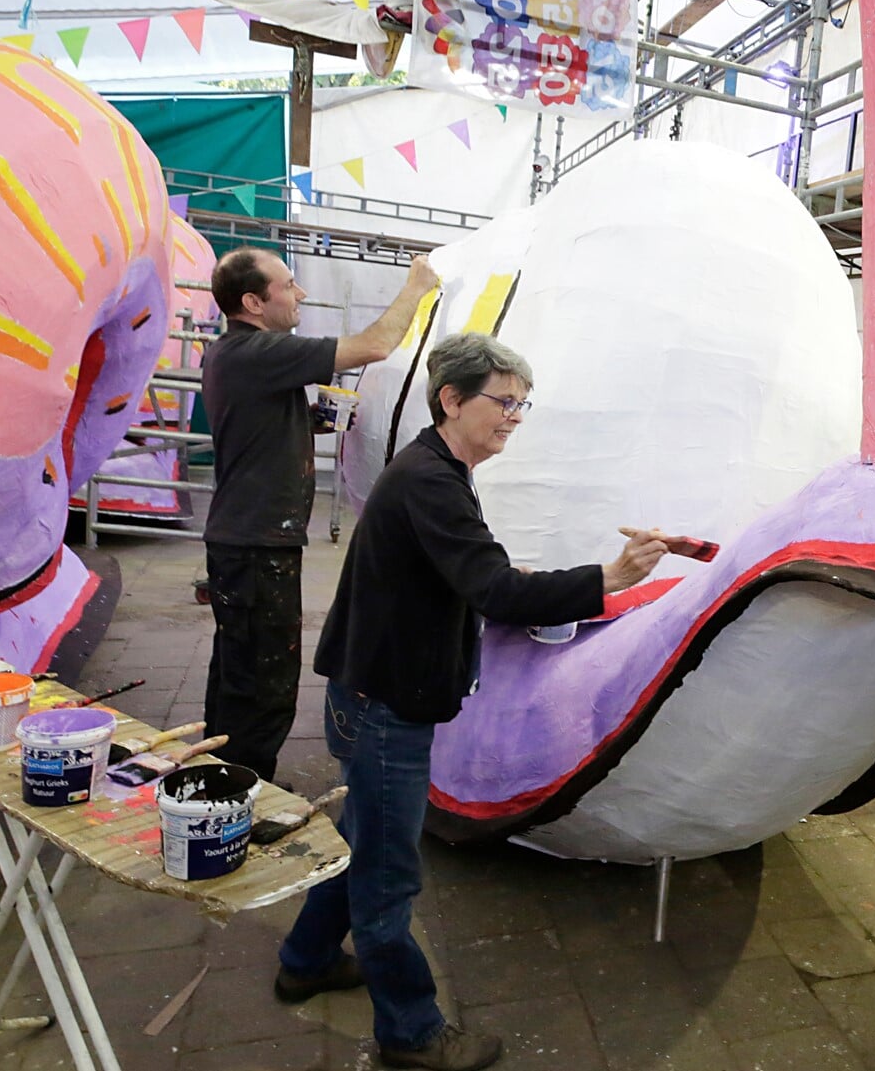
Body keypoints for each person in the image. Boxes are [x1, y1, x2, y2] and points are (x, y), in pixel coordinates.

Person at [273, 332, 670, 1071]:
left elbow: (465, 570)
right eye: (503, 401)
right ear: (452, 398)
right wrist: (607, 577)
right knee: (388, 874)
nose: (516, 416)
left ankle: (306, 959)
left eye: (523, 403)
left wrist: (500, 572)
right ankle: (411, 1033)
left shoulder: (437, 470)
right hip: (386, 702)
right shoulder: (431, 480)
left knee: (362, 838)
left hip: (371, 690)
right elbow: (495, 592)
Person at [199, 248, 440, 783]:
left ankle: (223, 776)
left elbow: (258, 424)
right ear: (253, 303)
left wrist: (313, 419)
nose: (300, 294)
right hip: (258, 544)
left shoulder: (233, 354)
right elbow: (375, 345)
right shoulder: (259, 350)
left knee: (238, 668)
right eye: (288, 285)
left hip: (244, 539)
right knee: (265, 679)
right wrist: (416, 287)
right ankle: (246, 791)